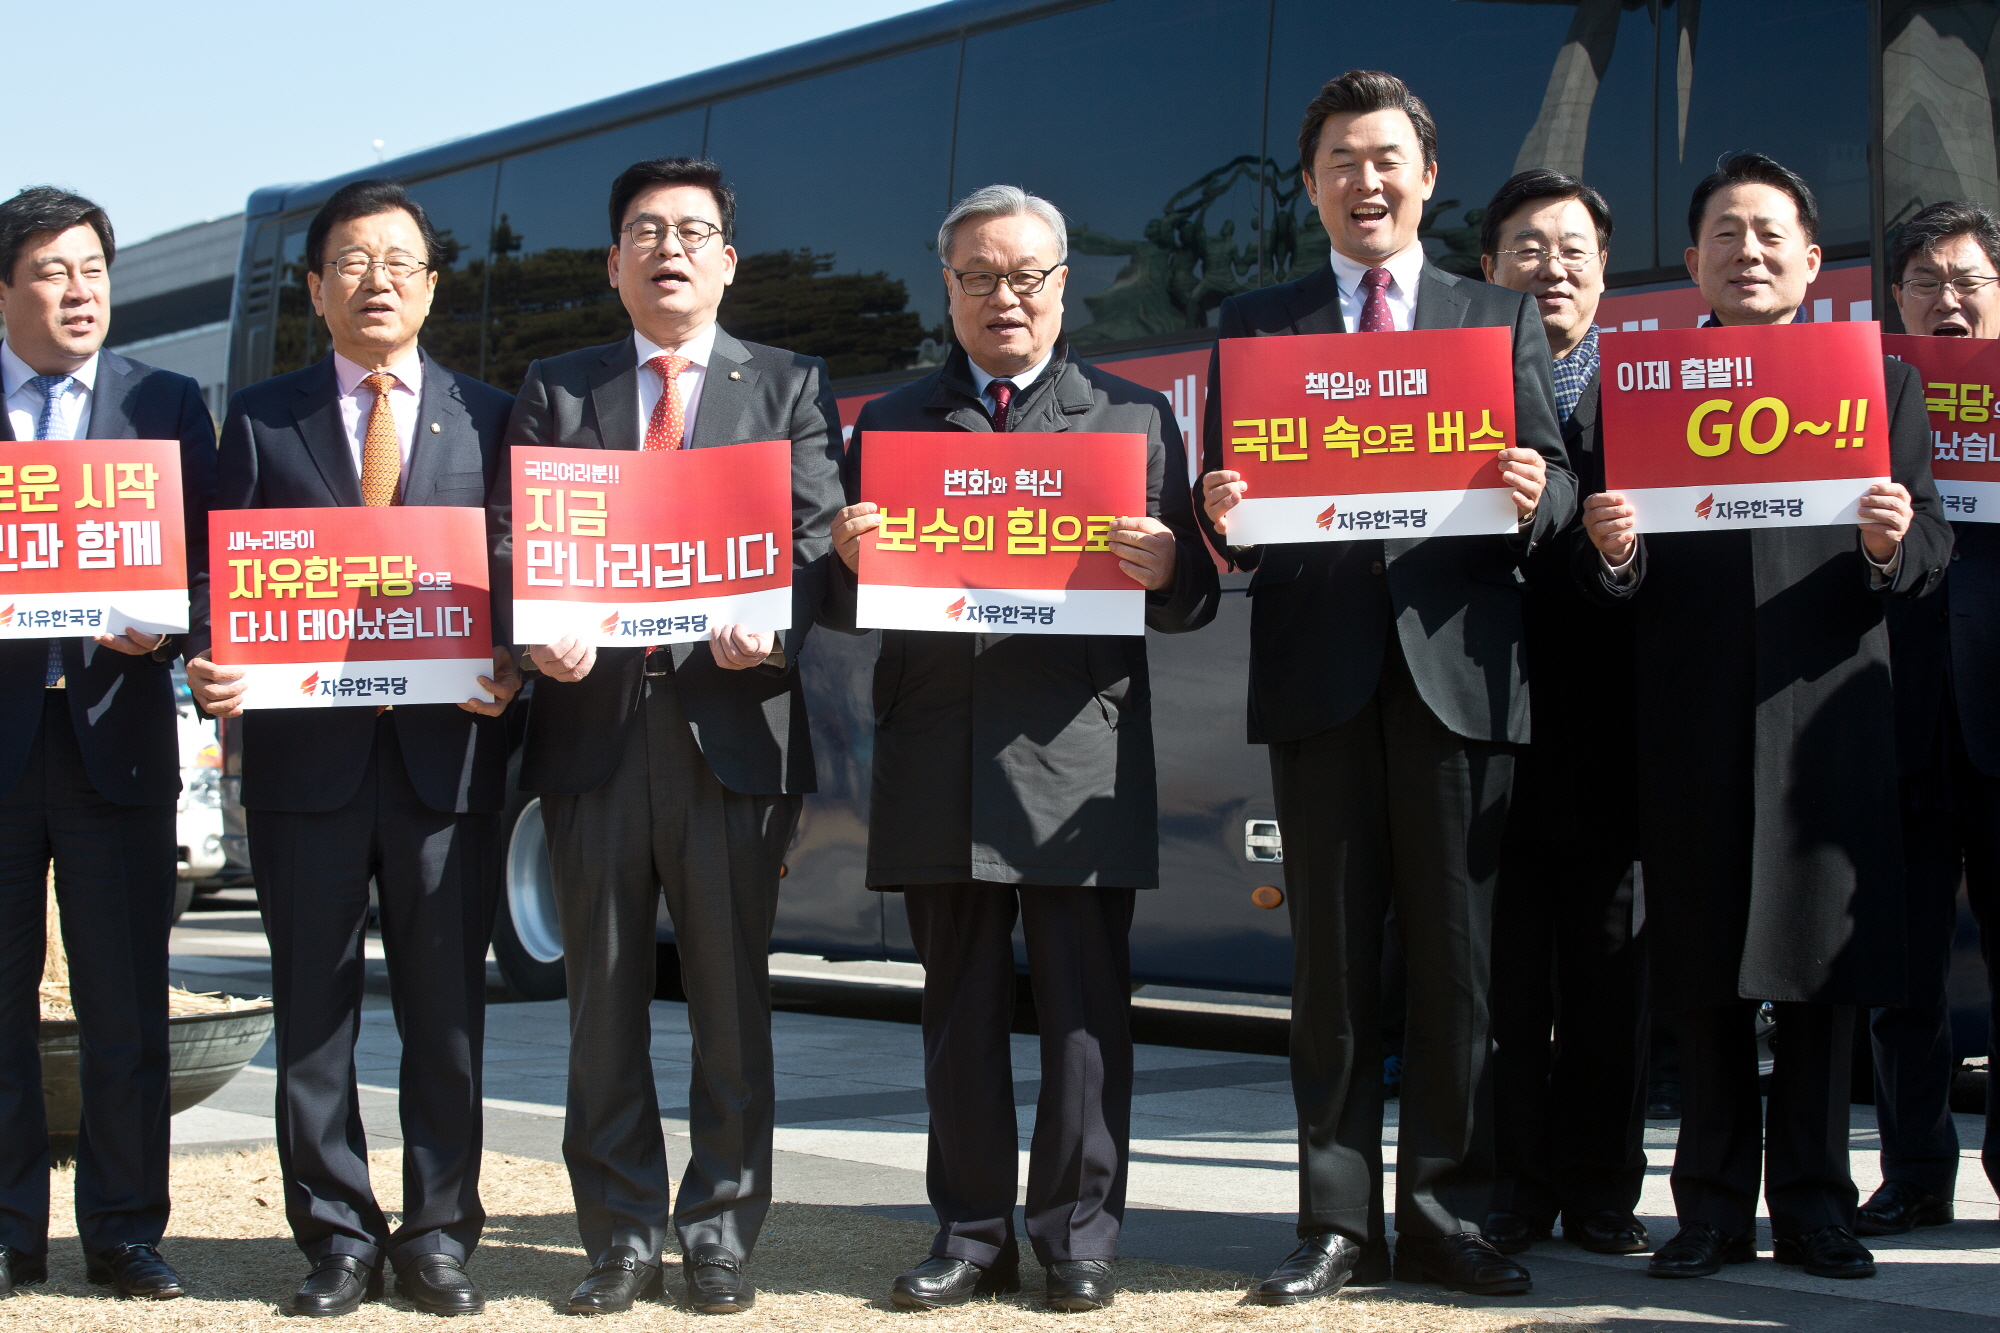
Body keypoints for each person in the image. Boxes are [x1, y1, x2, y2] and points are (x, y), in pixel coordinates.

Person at [1197, 71, 1574, 1303]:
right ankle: (1333, 1223)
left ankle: (1444, 1214)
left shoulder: (1492, 314)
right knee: (1332, 972)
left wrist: (1536, 495)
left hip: (1459, 680)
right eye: (1339, 162)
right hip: (1318, 679)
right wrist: (1222, 515)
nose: (1365, 180)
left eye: (1385, 158)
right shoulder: (1256, 324)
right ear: (1309, 185)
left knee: (1458, 969)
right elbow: (1234, 507)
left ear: (1424, 175)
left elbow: (1562, 486)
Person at [829, 184, 1219, 1314]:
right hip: (936, 750)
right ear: (943, 288)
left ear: (1063, 285)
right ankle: (968, 1233)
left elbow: (1192, 597)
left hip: (1076, 756)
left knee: (1084, 1017)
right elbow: (844, 600)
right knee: (955, 1012)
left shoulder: (1132, 416)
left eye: (1025, 276)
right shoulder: (890, 423)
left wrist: (1169, 569)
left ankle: (1077, 1235)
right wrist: (846, 557)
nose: (1004, 297)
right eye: (977, 277)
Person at [1577, 152, 1952, 1282]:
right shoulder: (1637, 389)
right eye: (1724, 235)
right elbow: (1612, 579)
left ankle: (1813, 1207)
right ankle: (1705, 1213)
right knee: (1697, 978)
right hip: (1690, 721)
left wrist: (1890, 540)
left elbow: (1929, 546)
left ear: (1807, 258)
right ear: (1688, 261)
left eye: (1768, 234)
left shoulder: (1875, 383)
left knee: (1817, 985)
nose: (1747, 253)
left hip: (1824, 718)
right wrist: (1617, 555)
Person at [498, 157, 843, 1317]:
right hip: (595, 729)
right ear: (612, 263)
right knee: (599, 1001)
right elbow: (513, 543)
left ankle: (720, 1229)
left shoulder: (789, 385)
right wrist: (535, 630)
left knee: (729, 1001)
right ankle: (619, 1234)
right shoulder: (557, 387)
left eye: (693, 232)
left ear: (728, 260)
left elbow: (816, 550)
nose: (669, 250)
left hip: (729, 730)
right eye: (644, 232)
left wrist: (772, 626)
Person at [186, 180, 518, 1317]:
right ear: (317, 287)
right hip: (305, 767)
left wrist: (512, 661)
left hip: (444, 765)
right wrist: (211, 649)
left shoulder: (491, 415)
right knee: (313, 1009)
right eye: (351, 261)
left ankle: (438, 1234)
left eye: (399, 261)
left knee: (446, 1012)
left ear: (430, 286)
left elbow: (522, 571)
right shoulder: (262, 416)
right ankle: (333, 1234)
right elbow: (212, 574)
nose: (376, 279)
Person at [0, 187, 216, 1300]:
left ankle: (125, 1232)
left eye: (92, 268)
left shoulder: (167, 402)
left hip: (115, 742)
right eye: (51, 269)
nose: (79, 290)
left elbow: (209, 566)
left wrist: (170, 618)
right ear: (4, 290)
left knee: (124, 1002)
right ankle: (8, 1234)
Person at [1476, 170, 1650, 1259]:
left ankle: (1599, 1196)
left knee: (1609, 981)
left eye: (1573, 249)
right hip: (1483, 721)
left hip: (1615, 728)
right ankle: (1508, 1192)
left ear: (1602, 269)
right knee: (1497, 986)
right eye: (1525, 249)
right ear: (1486, 268)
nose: (1550, 268)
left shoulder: (1657, 390)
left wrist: (1619, 556)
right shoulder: (1449, 387)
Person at [1857, 199, 2000, 1237]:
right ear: (1893, 296)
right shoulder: (1859, 400)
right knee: (1900, 969)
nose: (1943, 299)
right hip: (1890, 715)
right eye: (1923, 281)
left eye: (1966, 282)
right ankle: (1911, 1172)